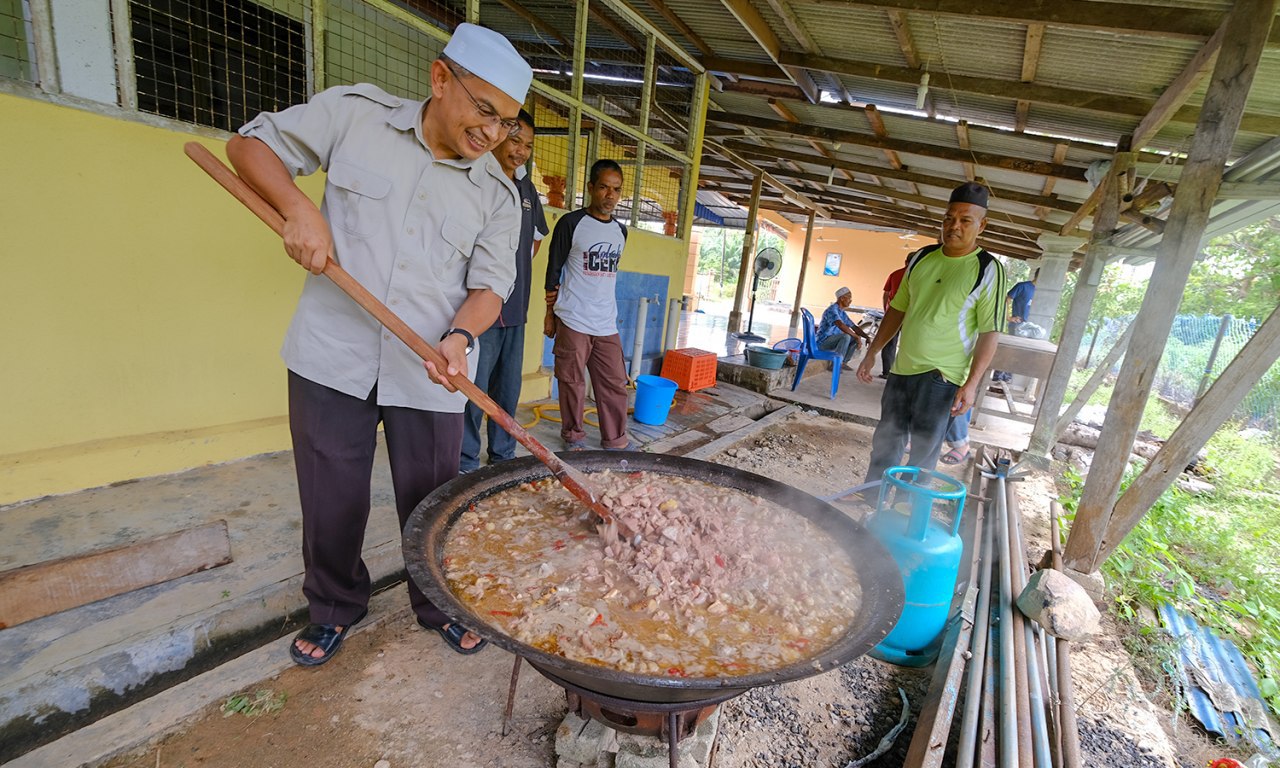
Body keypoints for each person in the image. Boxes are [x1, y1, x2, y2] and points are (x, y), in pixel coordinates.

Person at [226, 23, 532, 666]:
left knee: (435, 497)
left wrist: (459, 334)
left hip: (430, 366)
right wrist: (297, 209)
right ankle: (335, 606)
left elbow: (491, 288)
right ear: (440, 78)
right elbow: (249, 149)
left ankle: (437, 604)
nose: (492, 133)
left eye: (505, 122)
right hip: (330, 354)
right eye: (484, 110)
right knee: (330, 492)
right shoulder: (353, 116)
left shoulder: (499, 194)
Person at [856, 182, 1007, 483]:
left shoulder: (987, 268)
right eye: (949, 218)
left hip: (942, 376)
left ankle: (903, 515)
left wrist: (972, 383)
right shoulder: (921, 258)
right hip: (902, 369)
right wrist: (872, 352)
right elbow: (896, 310)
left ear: (982, 225)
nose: (954, 226)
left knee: (923, 454)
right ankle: (872, 498)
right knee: (886, 441)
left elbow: (989, 332)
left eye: (965, 220)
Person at [460, 110, 549, 473]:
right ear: (498, 136)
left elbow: (536, 239)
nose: (521, 151)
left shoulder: (527, 189)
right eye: (515, 141)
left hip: (516, 309)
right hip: (480, 310)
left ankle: (502, 455)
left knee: (507, 390)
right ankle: (465, 460)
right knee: (474, 389)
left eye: (528, 145)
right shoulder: (477, 179)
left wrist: (514, 270)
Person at [543, 159, 632, 451]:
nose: (610, 196)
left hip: (606, 321)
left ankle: (615, 440)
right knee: (571, 382)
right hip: (573, 318)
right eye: (604, 188)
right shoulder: (571, 223)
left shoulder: (621, 232)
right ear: (591, 188)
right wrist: (549, 316)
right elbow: (552, 272)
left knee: (615, 384)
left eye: (616, 190)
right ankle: (573, 437)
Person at [992, 270, 1036, 384]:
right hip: (1017, 325)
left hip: (1029, 329)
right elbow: (1007, 299)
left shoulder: (1041, 291)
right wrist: (1008, 317)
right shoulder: (1023, 286)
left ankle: (1007, 378)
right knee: (1009, 351)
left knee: (1018, 354)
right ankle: (997, 378)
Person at [817, 287, 871, 370]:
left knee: (854, 337)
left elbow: (854, 327)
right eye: (849, 298)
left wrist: (866, 337)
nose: (850, 300)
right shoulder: (832, 309)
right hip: (823, 342)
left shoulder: (841, 312)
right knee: (846, 336)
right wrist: (856, 336)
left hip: (832, 341)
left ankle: (843, 362)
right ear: (842, 298)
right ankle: (835, 364)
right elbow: (840, 325)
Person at [879, 254, 911, 378]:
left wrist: (886, 311)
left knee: (889, 342)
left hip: (894, 313)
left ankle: (887, 372)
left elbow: (886, 294)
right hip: (911, 315)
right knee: (908, 343)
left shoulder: (895, 274)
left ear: (905, 262)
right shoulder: (919, 275)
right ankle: (904, 374)